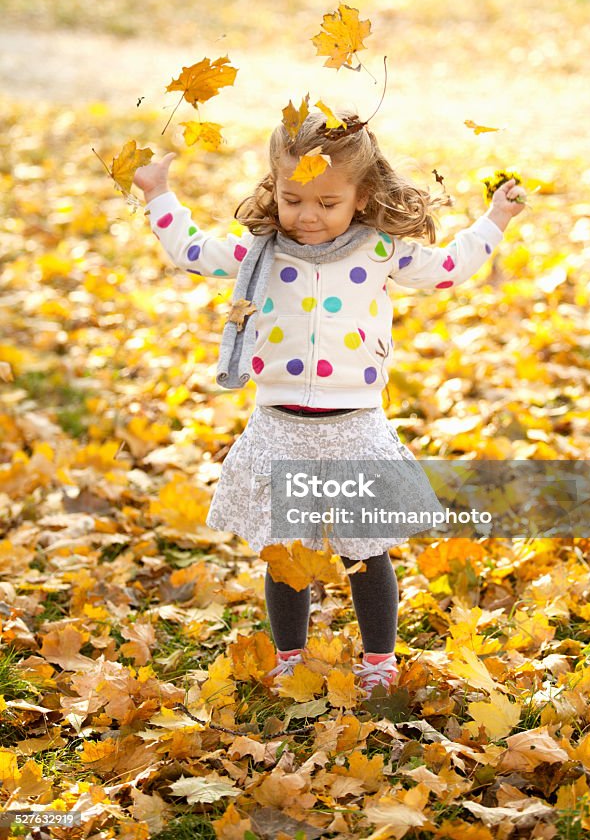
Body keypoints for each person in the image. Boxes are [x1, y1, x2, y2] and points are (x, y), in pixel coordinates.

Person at [133, 109, 525, 697]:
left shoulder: (380, 249)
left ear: (361, 197)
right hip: (281, 426)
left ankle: (378, 661)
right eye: (293, 199)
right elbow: (191, 251)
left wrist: (496, 218)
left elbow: (449, 268)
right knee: (286, 556)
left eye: (327, 202)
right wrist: (159, 194)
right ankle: (290, 655)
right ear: (274, 188)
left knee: (365, 554)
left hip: (353, 427)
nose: (307, 216)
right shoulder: (262, 252)